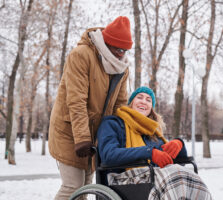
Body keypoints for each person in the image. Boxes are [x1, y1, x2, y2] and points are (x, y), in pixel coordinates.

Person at [48, 16, 133, 200]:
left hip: (94, 136)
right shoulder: (81, 55)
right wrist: (82, 138)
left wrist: (120, 136)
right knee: (73, 186)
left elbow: (120, 105)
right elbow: (76, 100)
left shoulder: (122, 68)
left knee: (86, 187)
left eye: (125, 50)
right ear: (108, 43)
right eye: (118, 49)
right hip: (70, 132)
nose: (121, 54)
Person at [97, 86, 212, 200]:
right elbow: (109, 155)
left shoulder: (152, 132)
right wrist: (148, 152)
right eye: (139, 97)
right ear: (131, 102)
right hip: (122, 179)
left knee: (189, 177)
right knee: (174, 178)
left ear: (151, 108)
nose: (143, 101)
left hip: (153, 177)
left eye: (148, 100)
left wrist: (179, 144)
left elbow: (172, 159)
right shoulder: (113, 123)